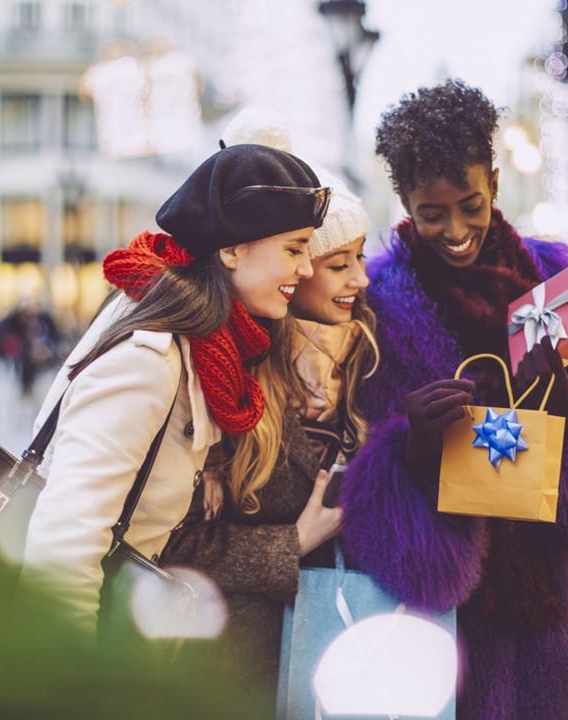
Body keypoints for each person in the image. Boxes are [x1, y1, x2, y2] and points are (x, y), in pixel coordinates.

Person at [336, 80, 568, 719]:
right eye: (433, 213)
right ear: (404, 203)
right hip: (431, 637)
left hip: (548, 631)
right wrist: (410, 450)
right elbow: (361, 497)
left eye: (470, 203)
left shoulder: (563, 285)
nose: (456, 229)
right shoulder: (376, 308)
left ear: (496, 183)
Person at [21, 143, 330, 629]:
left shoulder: (206, 345)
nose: (306, 268)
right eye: (294, 249)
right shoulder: (149, 360)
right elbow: (64, 548)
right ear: (231, 248)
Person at [159, 112, 376, 696]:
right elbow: (170, 545)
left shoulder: (372, 356)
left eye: (360, 257)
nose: (359, 278)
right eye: (333, 261)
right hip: (240, 662)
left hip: (340, 645)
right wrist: (292, 543)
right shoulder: (229, 370)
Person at [0, 300, 61, 399]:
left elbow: (53, 335)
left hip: (44, 356)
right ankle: (27, 388)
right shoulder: (20, 324)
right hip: (28, 355)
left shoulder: (43, 321)